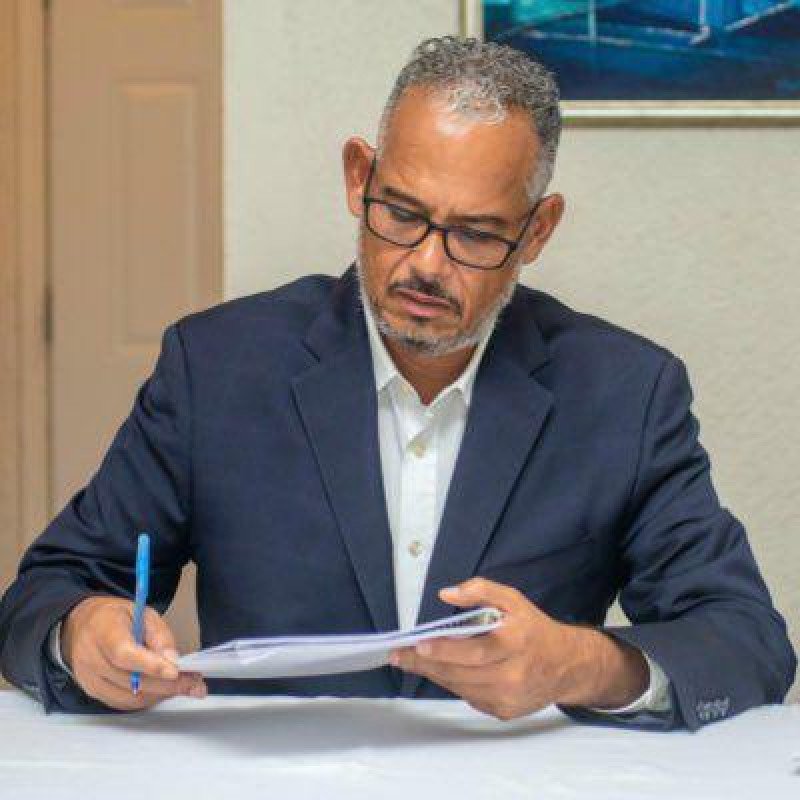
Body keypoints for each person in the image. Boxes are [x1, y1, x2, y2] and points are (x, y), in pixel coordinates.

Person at [0, 36, 794, 730]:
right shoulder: (215, 368)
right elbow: (49, 590)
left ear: (538, 229)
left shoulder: (626, 394)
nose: (425, 263)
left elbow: (746, 641)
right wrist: (84, 633)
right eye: (402, 213)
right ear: (359, 176)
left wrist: (575, 665)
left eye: (476, 234)